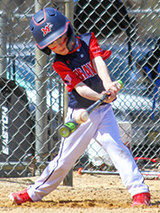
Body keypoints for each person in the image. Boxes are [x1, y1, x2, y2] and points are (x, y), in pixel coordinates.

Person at [9, 7, 151, 207]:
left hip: (103, 111)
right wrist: (100, 96)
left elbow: (99, 62)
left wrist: (108, 85)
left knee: (117, 148)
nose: (59, 45)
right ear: (46, 47)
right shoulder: (59, 63)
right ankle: (33, 193)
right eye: (53, 44)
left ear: (68, 30)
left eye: (60, 38)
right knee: (64, 161)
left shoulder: (87, 40)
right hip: (81, 115)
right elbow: (80, 88)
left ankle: (140, 192)